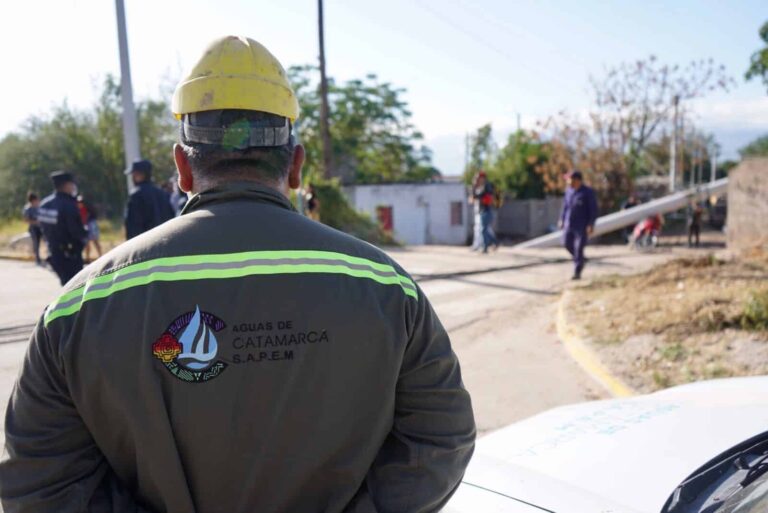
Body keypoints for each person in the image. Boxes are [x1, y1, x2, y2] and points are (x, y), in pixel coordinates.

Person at [0, 36, 475, 513]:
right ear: (296, 166)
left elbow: (41, 486)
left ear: (182, 168)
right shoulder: (389, 289)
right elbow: (441, 440)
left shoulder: (77, 309)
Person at [35, 171, 88, 285]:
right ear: (67, 185)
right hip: (71, 254)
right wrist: (84, 235)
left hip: (54, 253)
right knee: (76, 287)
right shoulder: (69, 204)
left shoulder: (45, 204)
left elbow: (43, 228)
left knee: (65, 285)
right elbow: (75, 231)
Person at [559, 170, 598, 280]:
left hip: (581, 225)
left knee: (579, 248)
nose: (568, 182)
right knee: (566, 243)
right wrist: (561, 219)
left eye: (569, 179)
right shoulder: (568, 191)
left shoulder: (587, 192)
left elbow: (593, 209)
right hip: (569, 223)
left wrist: (591, 224)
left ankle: (577, 271)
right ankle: (580, 259)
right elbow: (565, 207)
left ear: (577, 180)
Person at [124, 159, 175, 239]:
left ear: (141, 175)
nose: (133, 177)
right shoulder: (163, 193)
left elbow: (133, 226)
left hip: (145, 244)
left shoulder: (136, 195)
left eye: (134, 174)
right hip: (165, 240)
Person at [473, 171, 499, 253]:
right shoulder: (483, 186)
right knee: (485, 230)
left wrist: (475, 186)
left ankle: (486, 247)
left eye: (478, 178)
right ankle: (494, 242)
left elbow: (478, 195)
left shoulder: (486, 186)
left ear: (482, 178)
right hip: (483, 210)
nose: (477, 179)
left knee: (484, 230)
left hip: (486, 211)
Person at [22, 192, 44, 265]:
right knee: (36, 243)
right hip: (33, 229)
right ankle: (37, 259)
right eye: (36, 200)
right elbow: (25, 219)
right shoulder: (27, 208)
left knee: (48, 242)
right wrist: (35, 222)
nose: (38, 201)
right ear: (32, 200)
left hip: (42, 228)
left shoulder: (39, 206)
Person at [78, 195, 103, 260]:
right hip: (84, 226)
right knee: (87, 244)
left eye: (80, 202)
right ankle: (87, 258)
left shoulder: (88, 210)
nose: (79, 203)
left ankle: (101, 256)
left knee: (95, 241)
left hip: (91, 226)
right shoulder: (79, 210)